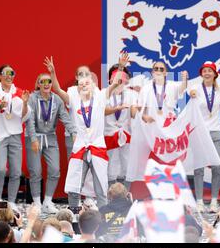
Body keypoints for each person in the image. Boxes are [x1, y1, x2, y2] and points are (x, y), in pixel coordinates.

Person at [47, 54, 129, 208]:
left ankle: (104, 214)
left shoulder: (99, 96)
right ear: (77, 79)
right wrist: (53, 72)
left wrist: (120, 67)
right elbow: (57, 89)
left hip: (97, 147)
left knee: (100, 187)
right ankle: (74, 214)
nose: (84, 79)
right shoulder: (72, 96)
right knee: (74, 185)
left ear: (91, 80)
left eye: (87, 75)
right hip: (79, 147)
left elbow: (113, 86)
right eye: (80, 75)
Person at [25, 72, 77, 214]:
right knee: (36, 171)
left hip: (50, 138)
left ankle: (47, 201)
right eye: (43, 81)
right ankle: (36, 203)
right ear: (38, 85)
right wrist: (34, 139)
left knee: (55, 170)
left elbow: (65, 117)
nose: (46, 83)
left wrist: (74, 132)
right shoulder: (32, 98)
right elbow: (30, 120)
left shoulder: (57, 100)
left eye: (49, 81)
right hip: (34, 136)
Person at [189, 61, 220, 213]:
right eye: (204, 71)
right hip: (200, 132)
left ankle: (214, 201)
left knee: (217, 167)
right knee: (199, 169)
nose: (207, 73)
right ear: (201, 73)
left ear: (215, 74)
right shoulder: (195, 88)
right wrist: (191, 95)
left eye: (210, 71)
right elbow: (190, 98)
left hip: (215, 131)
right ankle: (200, 202)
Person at [0, 65, 31, 210]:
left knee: (16, 171)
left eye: (12, 73)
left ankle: (11, 202)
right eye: (6, 73)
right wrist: (0, 106)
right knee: (0, 170)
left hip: (15, 135)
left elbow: (23, 115)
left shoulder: (18, 92)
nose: (10, 76)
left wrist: (24, 103)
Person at [104, 64, 137, 187]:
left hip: (126, 135)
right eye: (116, 76)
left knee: (126, 165)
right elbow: (101, 110)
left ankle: (125, 195)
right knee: (110, 165)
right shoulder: (104, 93)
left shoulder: (132, 94)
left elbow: (134, 113)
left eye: (122, 76)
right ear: (110, 79)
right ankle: (110, 195)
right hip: (108, 135)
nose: (119, 79)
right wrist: (117, 108)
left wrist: (139, 112)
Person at [134, 62, 187, 127]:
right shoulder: (145, 88)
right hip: (152, 126)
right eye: (156, 69)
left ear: (166, 73)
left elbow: (182, 88)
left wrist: (185, 79)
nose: (158, 70)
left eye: (161, 69)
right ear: (152, 72)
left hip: (169, 125)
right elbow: (140, 107)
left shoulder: (172, 85)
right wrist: (144, 116)